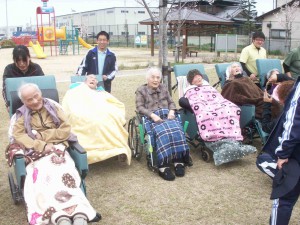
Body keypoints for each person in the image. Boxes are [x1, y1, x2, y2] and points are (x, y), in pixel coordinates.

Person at [8, 83, 98, 225]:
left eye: (36, 96)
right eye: (29, 99)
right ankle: (59, 214)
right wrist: (40, 144)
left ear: (40, 93)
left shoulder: (54, 108)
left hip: (59, 151)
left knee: (64, 172)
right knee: (43, 177)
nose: (34, 101)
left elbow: (66, 130)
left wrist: (42, 136)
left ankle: (78, 211)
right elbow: (19, 136)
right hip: (36, 155)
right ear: (24, 102)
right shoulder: (20, 115)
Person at [179, 69, 256, 166]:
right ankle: (218, 144)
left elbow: (218, 97)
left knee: (232, 109)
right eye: (195, 77)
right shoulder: (190, 90)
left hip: (217, 104)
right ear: (191, 81)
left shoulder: (208, 87)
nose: (198, 78)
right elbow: (193, 101)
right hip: (205, 107)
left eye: (199, 75)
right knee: (207, 114)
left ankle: (232, 142)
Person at [256, 76, 300, 225]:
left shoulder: (287, 112)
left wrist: (283, 154)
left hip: (294, 155)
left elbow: (292, 124)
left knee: (284, 200)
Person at [62, 74, 131, 165]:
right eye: (90, 78)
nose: (93, 80)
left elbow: (113, 102)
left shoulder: (100, 92)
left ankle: (117, 148)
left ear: (97, 84)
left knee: (108, 120)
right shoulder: (76, 90)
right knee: (88, 120)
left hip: (100, 113)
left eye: (95, 79)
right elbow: (70, 103)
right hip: (83, 112)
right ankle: (84, 150)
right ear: (85, 81)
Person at [135, 67, 190, 181]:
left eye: (158, 77)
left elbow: (171, 102)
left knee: (177, 130)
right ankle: (163, 165)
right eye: (153, 77)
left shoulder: (163, 88)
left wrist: (171, 110)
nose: (155, 80)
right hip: (153, 118)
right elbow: (139, 107)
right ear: (147, 78)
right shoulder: (141, 90)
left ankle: (178, 160)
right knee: (163, 132)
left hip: (167, 115)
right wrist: (152, 115)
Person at [2, 45, 44, 112]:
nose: (21, 64)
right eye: (18, 61)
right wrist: (8, 104)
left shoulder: (36, 68)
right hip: (17, 101)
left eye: (24, 60)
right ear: (14, 60)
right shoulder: (9, 69)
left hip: (34, 101)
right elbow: (5, 89)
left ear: (29, 57)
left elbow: (43, 86)